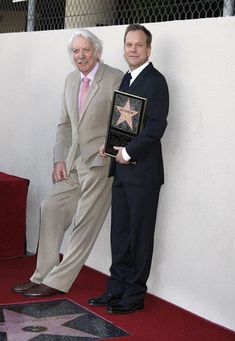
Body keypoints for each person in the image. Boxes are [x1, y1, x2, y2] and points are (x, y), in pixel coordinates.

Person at [12, 29, 123, 297]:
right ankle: (41, 276)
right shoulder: (71, 80)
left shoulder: (114, 78)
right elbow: (64, 123)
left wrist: (108, 147)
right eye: (76, 51)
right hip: (72, 162)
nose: (81, 55)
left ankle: (57, 282)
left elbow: (122, 121)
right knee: (50, 207)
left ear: (96, 52)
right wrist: (59, 159)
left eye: (86, 50)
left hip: (99, 163)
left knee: (85, 223)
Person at [88, 24, 169, 314]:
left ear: (148, 49)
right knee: (120, 233)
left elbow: (156, 126)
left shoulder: (155, 81)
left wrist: (128, 151)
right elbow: (123, 124)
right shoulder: (128, 78)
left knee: (139, 235)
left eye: (138, 45)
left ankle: (134, 294)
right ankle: (117, 287)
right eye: (128, 44)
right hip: (122, 171)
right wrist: (110, 147)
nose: (132, 49)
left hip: (143, 175)